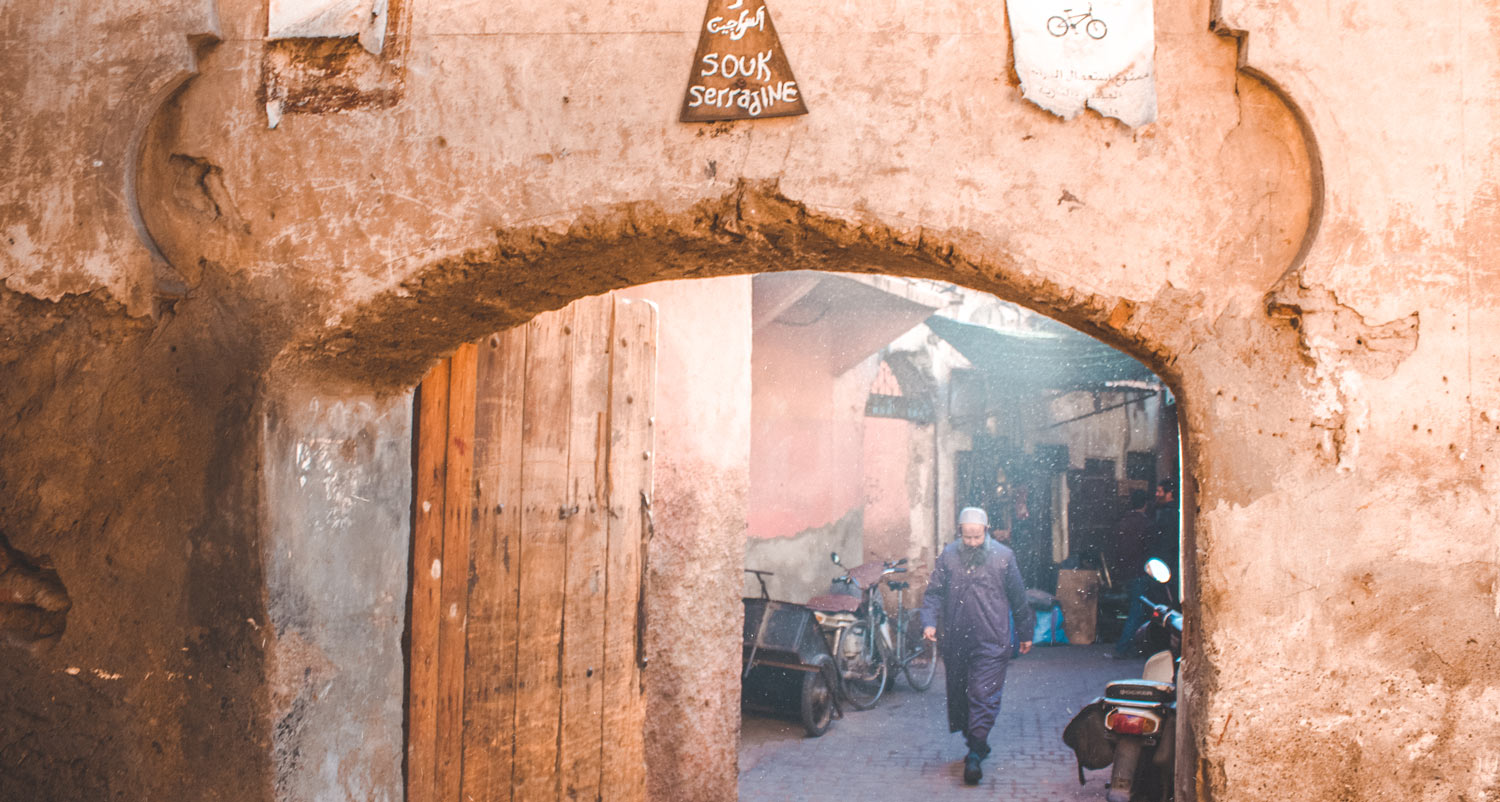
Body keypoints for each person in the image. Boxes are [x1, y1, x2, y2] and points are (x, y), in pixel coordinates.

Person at [921, 507, 1035, 786]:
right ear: (960, 531)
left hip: (992, 640)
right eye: (967, 537)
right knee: (960, 696)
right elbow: (934, 592)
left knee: (982, 694)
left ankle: (974, 754)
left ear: (986, 530)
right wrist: (929, 622)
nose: (972, 542)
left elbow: (1018, 597)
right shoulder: (948, 555)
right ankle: (977, 742)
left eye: (977, 537)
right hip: (958, 640)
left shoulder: (1004, 557)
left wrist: (1025, 632)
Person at [1111, 490, 1153, 658]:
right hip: (1140, 571)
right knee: (1138, 609)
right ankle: (1124, 647)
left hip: (1127, 572)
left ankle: (1133, 646)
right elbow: (1148, 548)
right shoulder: (1146, 524)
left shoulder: (1123, 523)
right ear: (1145, 504)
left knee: (1135, 608)